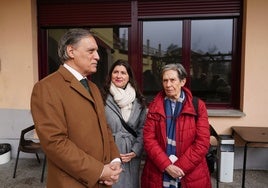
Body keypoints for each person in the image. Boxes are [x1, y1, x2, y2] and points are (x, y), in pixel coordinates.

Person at [31, 28, 122, 188]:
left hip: (102, 179)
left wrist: (114, 160)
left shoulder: (93, 87)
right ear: (71, 51)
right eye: (91, 51)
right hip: (71, 182)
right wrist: (99, 171)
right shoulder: (46, 88)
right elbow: (55, 143)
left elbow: (104, 127)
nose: (97, 57)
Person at [141, 63, 211, 188]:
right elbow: (148, 139)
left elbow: (202, 142)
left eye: (172, 80)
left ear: (183, 81)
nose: (168, 85)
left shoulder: (197, 106)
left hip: (190, 173)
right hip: (159, 171)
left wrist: (179, 167)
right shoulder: (154, 106)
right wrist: (167, 166)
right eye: (165, 80)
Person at [101, 59, 147, 188]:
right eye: (115, 72)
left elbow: (143, 128)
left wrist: (136, 150)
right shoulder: (102, 97)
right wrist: (110, 151)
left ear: (129, 77)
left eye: (123, 73)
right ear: (110, 75)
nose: (119, 76)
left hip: (131, 154)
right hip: (110, 152)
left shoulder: (138, 100)